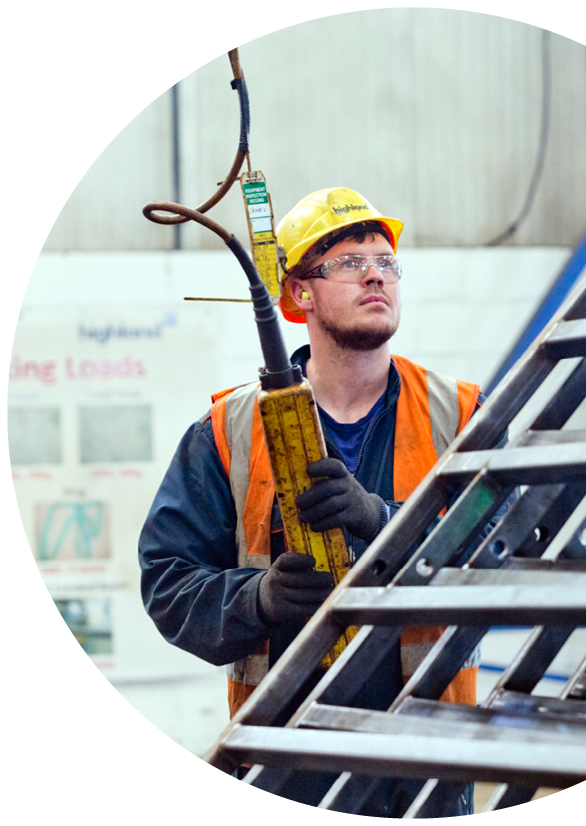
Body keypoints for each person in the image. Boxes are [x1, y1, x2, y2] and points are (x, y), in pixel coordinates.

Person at [139, 187, 508, 817]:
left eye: (386, 262)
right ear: (299, 295)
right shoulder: (229, 433)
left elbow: (504, 546)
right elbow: (167, 582)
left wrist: (383, 521)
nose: (374, 273)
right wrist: (256, 600)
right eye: (347, 261)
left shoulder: (461, 416)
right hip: (284, 760)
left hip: (426, 759)